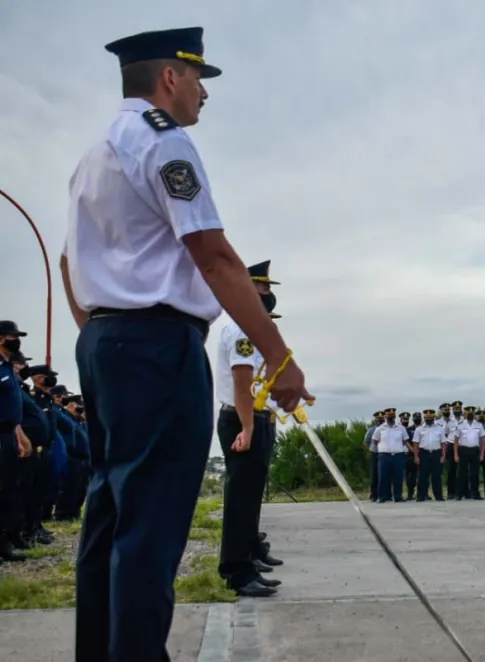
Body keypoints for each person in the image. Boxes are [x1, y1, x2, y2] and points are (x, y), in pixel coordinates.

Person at [61, 28, 309, 662]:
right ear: (170, 77)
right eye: (199, 79)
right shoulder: (165, 143)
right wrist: (278, 357)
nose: (204, 93)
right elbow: (215, 255)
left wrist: (98, 334)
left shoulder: (95, 154)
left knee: (110, 515)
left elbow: (69, 260)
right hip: (155, 345)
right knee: (151, 524)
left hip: (107, 338)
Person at [215, 259, 283, 598]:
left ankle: (247, 559)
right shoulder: (241, 329)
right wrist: (247, 427)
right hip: (243, 419)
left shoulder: (251, 327)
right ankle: (236, 572)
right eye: (264, 288)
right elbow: (243, 386)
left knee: (250, 496)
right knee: (240, 498)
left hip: (255, 418)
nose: (269, 295)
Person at [1, 322, 35, 562]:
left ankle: (4, 543)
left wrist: (19, 435)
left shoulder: (5, 367)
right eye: (14, 336)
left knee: (8, 488)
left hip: (8, 432)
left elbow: (13, 411)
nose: (17, 340)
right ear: (2, 338)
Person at [372, 409, 410, 503]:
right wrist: (383, 448)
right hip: (384, 455)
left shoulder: (401, 428)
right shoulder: (380, 428)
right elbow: (375, 441)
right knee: (383, 477)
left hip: (398, 455)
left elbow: (405, 441)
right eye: (389, 415)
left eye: (392, 415)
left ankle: (398, 496)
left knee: (398, 477)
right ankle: (382, 497)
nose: (391, 416)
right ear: (385, 416)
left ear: (395, 416)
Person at [413, 409, 445, 502]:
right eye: (427, 418)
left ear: (433, 418)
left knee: (437, 476)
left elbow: (443, 443)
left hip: (436, 453)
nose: (429, 420)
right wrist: (416, 456)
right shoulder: (419, 429)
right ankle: (421, 496)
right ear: (424, 418)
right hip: (424, 453)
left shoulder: (439, 428)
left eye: (431, 418)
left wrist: (443, 455)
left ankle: (438, 496)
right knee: (422, 476)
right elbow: (415, 443)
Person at [454, 406, 485, 500]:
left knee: (475, 473)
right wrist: (456, 454)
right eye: (468, 413)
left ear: (474, 414)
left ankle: (475, 493)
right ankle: (460, 494)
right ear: (465, 414)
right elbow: (456, 441)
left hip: (475, 451)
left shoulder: (479, 425)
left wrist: (482, 454)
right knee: (462, 473)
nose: (470, 414)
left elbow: (483, 441)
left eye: (472, 413)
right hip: (463, 450)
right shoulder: (460, 425)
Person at [364, 411, 383, 501]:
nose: (379, 420)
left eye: (381, 419)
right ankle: (373, 495)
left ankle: (382, 494)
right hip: (375, 454)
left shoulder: (386, 429)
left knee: (382, 475)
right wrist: (371, 450)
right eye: (378, 419)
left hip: (383, 454)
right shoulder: (371, 430)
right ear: (375, 420)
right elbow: (366, 442)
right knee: (374, 475)